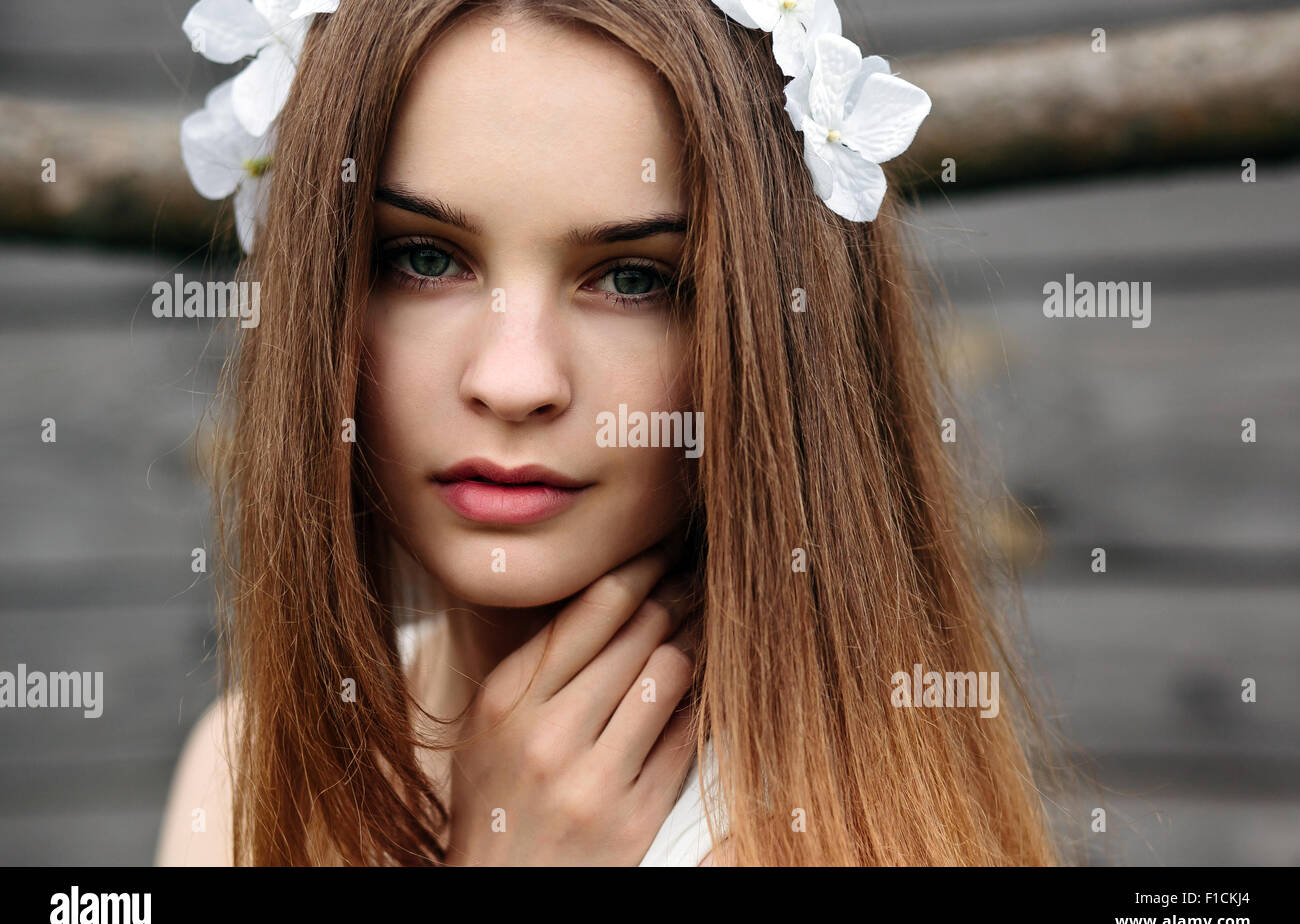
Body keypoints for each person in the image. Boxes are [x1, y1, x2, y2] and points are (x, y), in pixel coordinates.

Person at [156, 0, 1068, 866]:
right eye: (424, 259)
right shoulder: (238, 767)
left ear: (771, 329)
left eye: (632, 278)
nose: (514, 382)